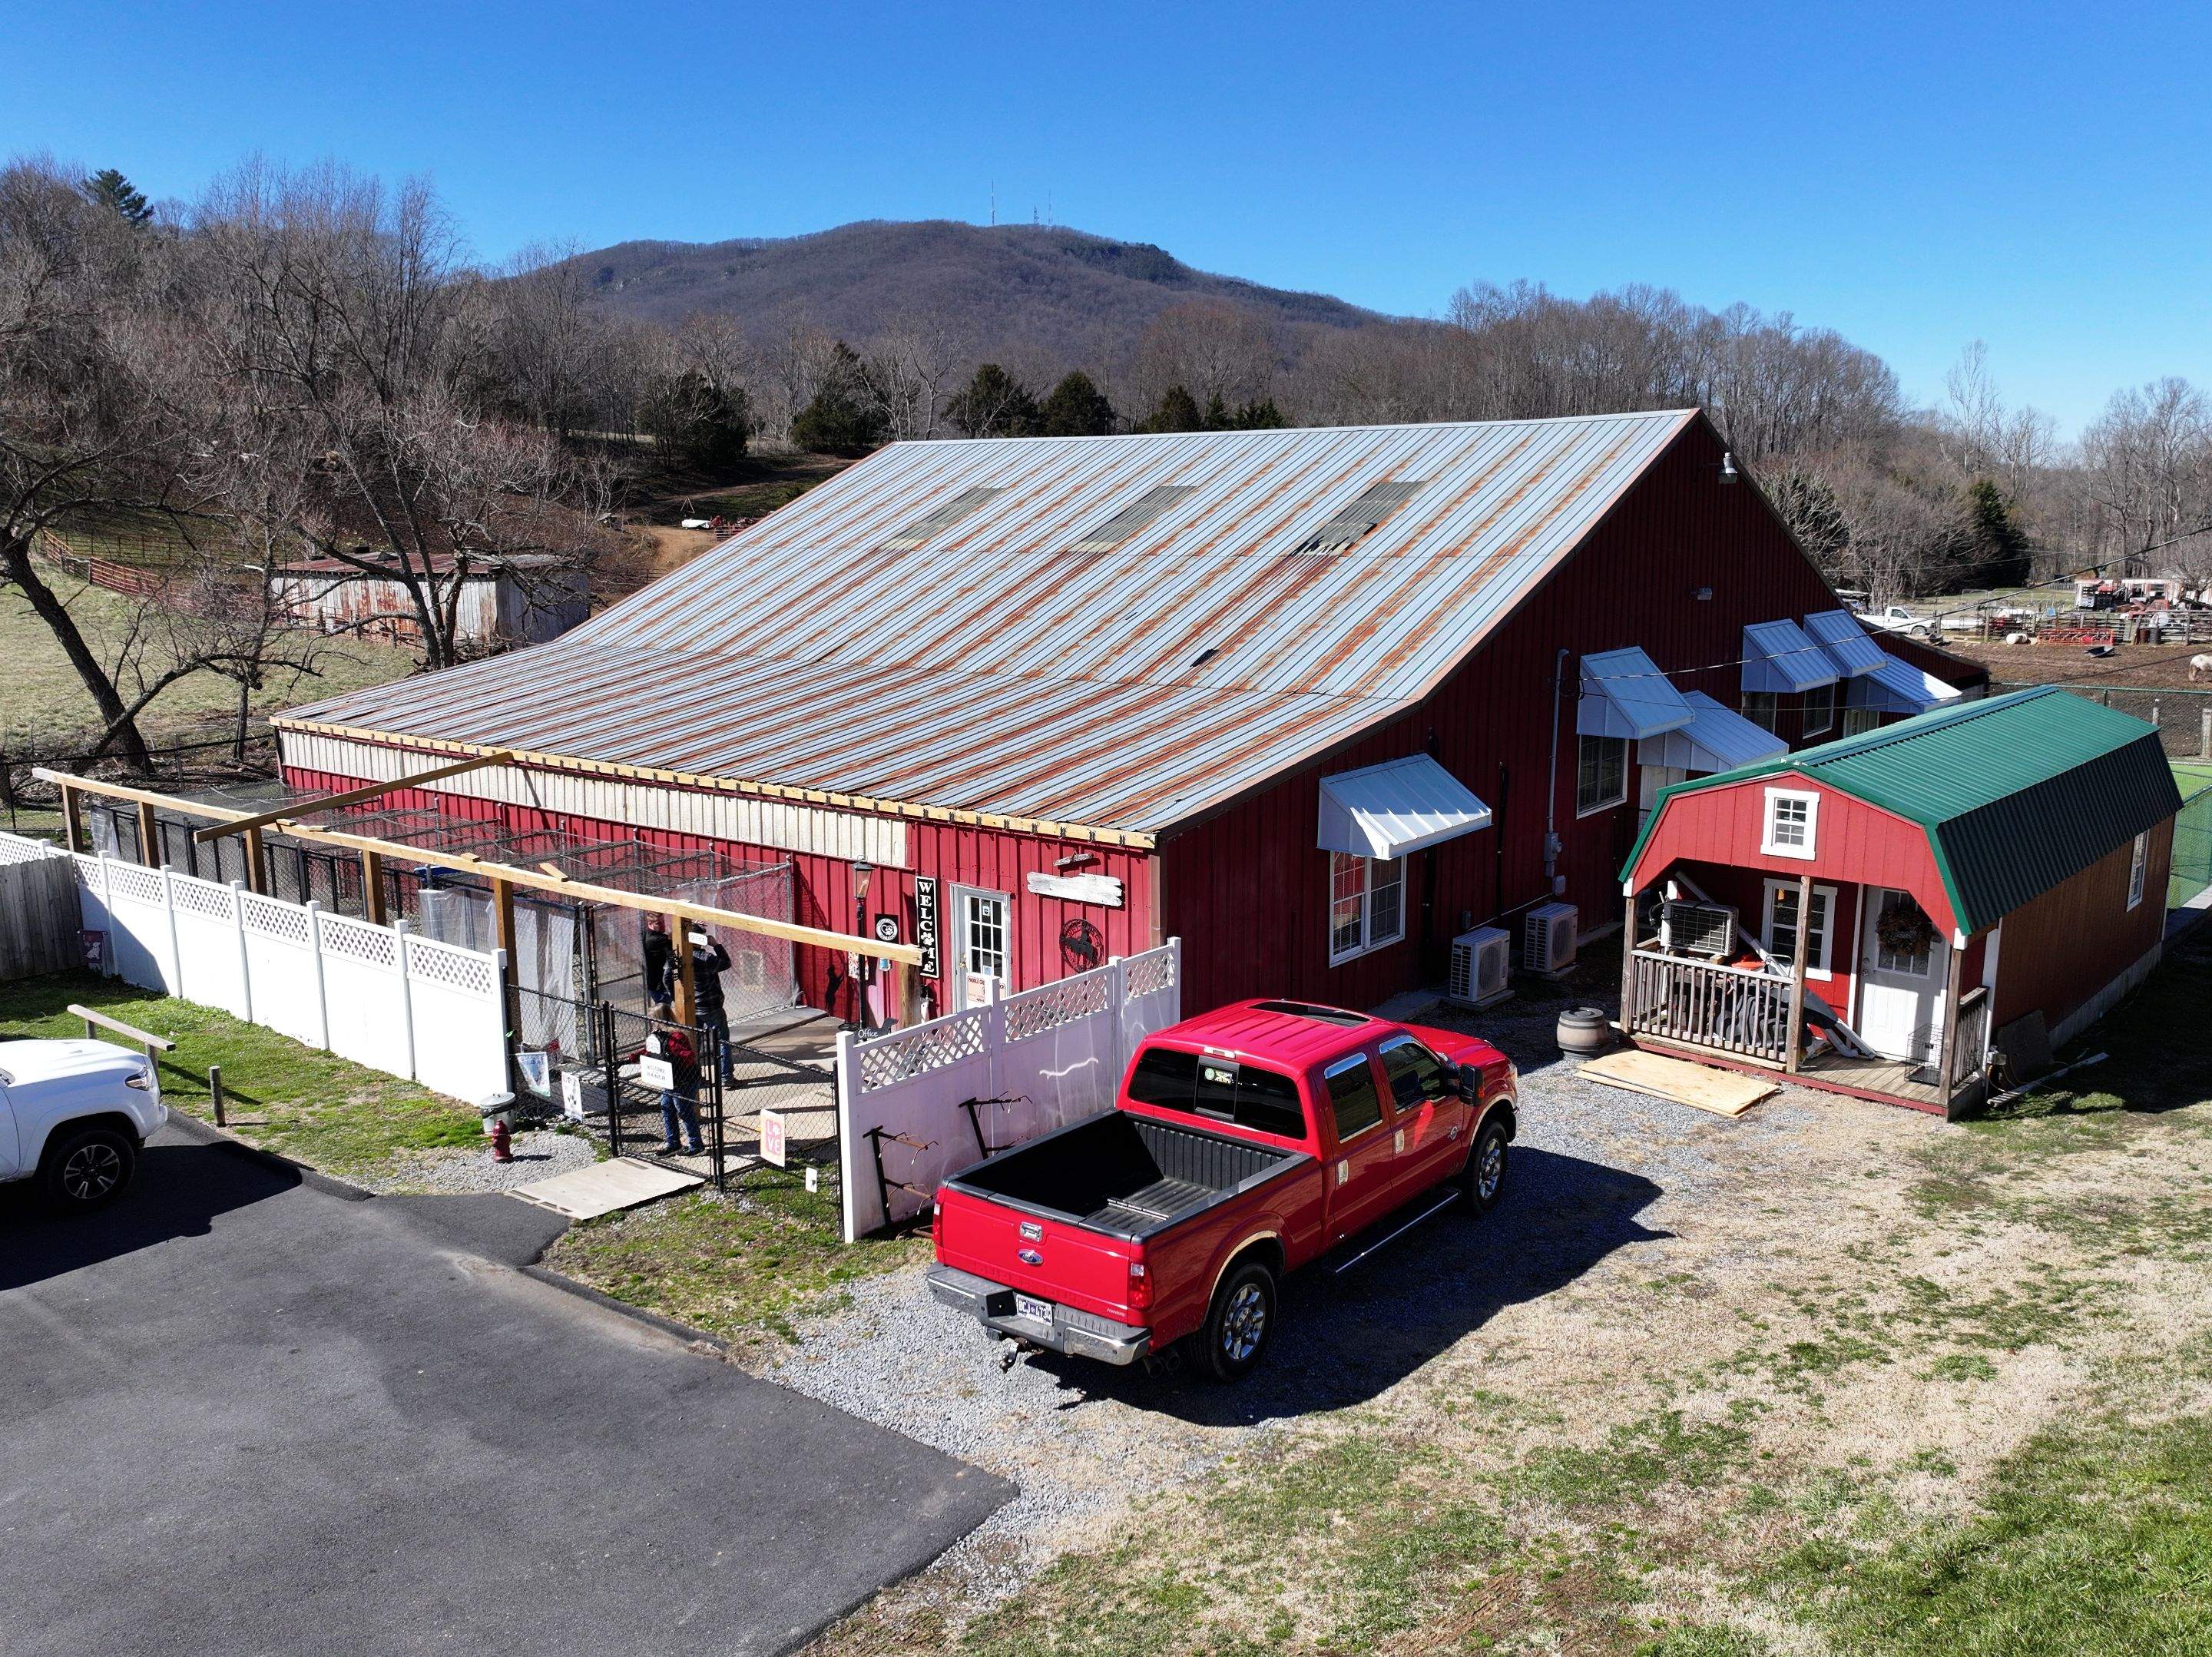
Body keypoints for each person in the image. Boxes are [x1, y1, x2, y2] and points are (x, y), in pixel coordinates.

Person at [644, 1002, 704, 1157]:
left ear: (661, 1019)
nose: (652, 1022)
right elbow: (647, 1051)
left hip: (685, 1080)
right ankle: (673, 1143)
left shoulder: (676, 1036)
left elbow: (688, 1056)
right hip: (670, 1080)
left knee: (684, 1110)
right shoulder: (657, 1037)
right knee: (666, 1107)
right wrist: (629, 1060)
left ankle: (696, 1145)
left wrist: (675, 1062)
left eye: (653, 1019)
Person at [686, 928, 734, 1083]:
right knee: (722, 1041)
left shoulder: (683, 957)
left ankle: (695, 1077)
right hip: (712, 1006)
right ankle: (726, 1077)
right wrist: (716, 945)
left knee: (695, 1042)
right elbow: (726, 963)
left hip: (694, 1007)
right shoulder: (706, 958)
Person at [641, 915, 676, 1007]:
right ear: (650, 924)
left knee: (664, 1015)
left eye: (663, 922)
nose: (663, 925)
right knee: (664, 1016)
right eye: (658, 923)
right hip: (660, 987)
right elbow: (672, 939)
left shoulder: (649, 933)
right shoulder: (656, 940)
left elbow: (668, 937)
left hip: (657, 984)